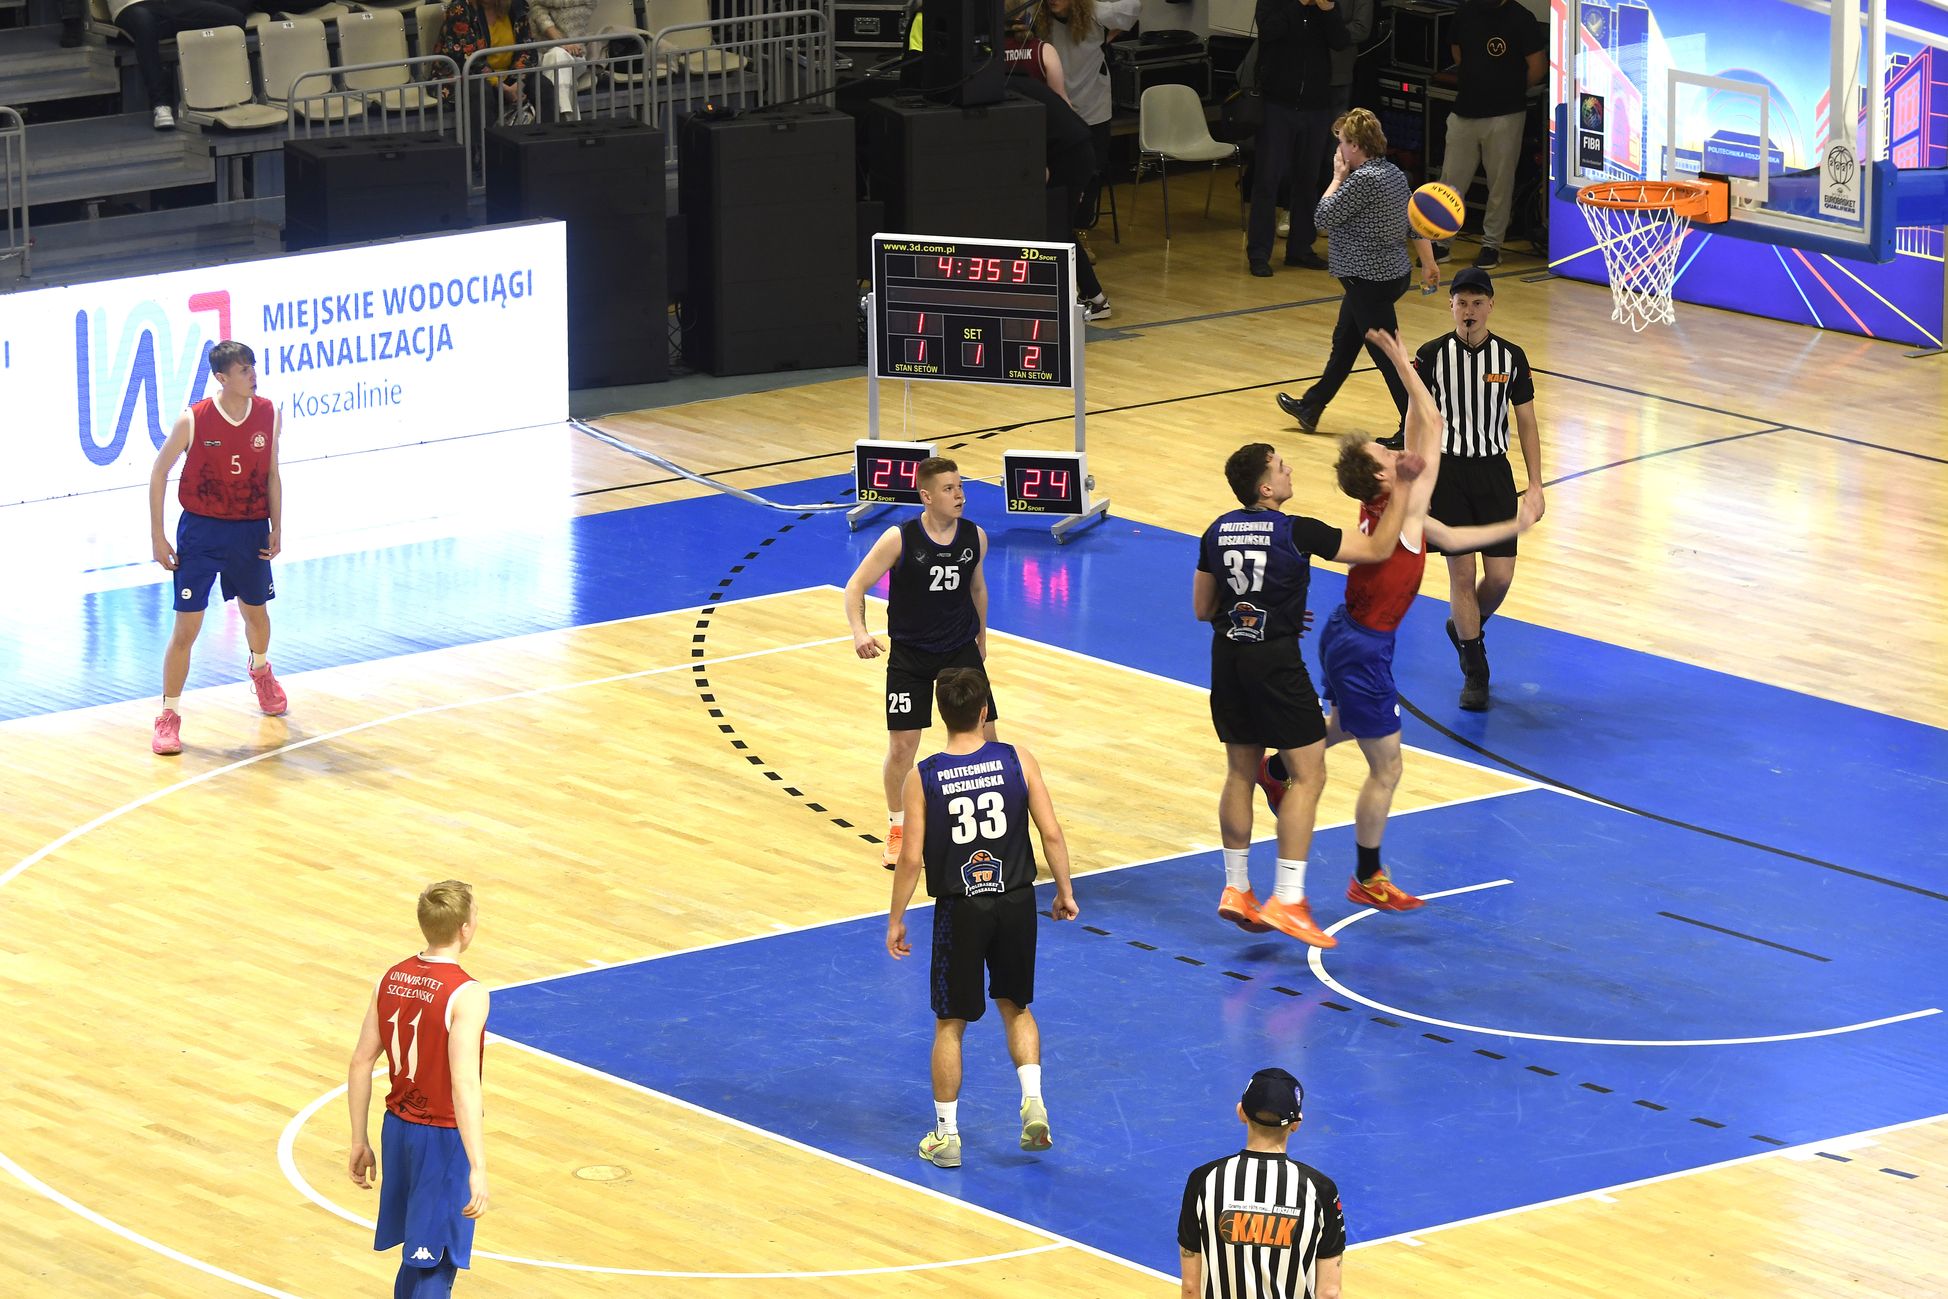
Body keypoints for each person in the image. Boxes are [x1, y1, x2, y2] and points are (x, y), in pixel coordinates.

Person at [1264, 327, 1539, 909]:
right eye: (1386, 456)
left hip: (1346, 633)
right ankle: (1367, 877)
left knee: (1346, 721)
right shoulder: (1405, 505)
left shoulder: (1389, 508)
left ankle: (1277, 767)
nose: (1396, 452)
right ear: (1383, 479)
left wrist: (1515, 526)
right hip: (1364, 646)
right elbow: (1432, 424)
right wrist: (1396, 358)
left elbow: (1454, 537)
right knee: (1387, 768)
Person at [1193, 440, 1419, 948]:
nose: (1289, 469)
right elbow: (1378, 550)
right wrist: (1404, 486)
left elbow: (1204, 608)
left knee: (1240, 772)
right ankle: (1289, 899)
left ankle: (1236, 888)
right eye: (1280, 467)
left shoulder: (1215, 530)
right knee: (1308, 774)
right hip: (1274, 663)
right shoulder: (1297, 530)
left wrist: (1267, 611)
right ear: (1265, 488)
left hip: (1227, 659)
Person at [886, 668, 1078, 1168]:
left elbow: (910, 857)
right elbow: (1051, 833)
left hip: (961, 909)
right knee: (1016, 1006)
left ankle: (947, 1137)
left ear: (940, 714)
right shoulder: (1018, 759)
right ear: (985, 711)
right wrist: (1064, 891)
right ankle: (1033, 1102)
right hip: (1016, 901)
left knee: (950, 1024)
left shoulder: (923, 776)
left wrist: (896, 918)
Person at [843, 457, 995, 869]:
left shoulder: (975, 537)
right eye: (949, 489)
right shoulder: (900, 538)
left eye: (960, 486)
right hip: (910, 656)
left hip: (959, 652)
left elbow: (977, 588)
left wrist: (981, 639)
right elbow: (855, 586)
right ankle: (898, 828)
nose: (959, 495)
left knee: (987, 740)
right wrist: (860, 632)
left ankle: (990, 825)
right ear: (926, 496)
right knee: (902, 747)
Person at [346, 880, 491, 1299]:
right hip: (441, 1137)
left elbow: (360, 1062)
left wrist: (359, 1139)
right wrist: (478, 1165)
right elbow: (464, 1083)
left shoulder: (389, 978)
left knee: (416, 1253)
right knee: (436, 1260)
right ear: (465, 929)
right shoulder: (467, 993)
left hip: (397, 1129)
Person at [147, 340, 286, 756]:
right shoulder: (193, 419)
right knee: (186, 628)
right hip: (202, 532)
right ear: (222, 378)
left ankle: (260, 670)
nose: (253, 375)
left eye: (253, 367)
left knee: (256, 615)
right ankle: (168, 715)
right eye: (244, 370)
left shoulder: (269, 413)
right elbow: (158, 473)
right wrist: (158, 536)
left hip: (249, 529)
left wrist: (277, 526)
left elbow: (272, 474)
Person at [1416, 266, 1543, 709]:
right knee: (1462, 574)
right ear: (1450, 305)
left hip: (1494, 473)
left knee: (1501, 577)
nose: (1468, 310)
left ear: (1490, 305)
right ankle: (1475, 670)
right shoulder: (1431, 356)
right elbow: (1416, 420)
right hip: (1448, 473)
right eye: (1461, 302)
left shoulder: (1511, 357)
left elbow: (1527, 422)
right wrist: (1416, 479)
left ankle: (1464, 626)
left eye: (1476, 302)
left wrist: (1536, 485)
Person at [1274, 109, 1438, 436]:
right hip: (1388, 276)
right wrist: (1429, 264)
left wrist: (1337, 177)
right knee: (1345, 344)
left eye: (1342, 143)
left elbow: (1322, 218)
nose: (1338, 150)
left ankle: (1415, 426)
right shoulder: (1393, 173)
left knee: (1390, 356)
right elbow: (1414, 223)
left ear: (1356, 146)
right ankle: (1311, 406)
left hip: (1368, 281)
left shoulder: (1363, 180)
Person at [1178, 1068, 1345, 1299]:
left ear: (1241, 1112)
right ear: (1296, 1122)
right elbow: (1329, 1292)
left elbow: (1190, 1287)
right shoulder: (1320, 1189)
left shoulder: (1203, 1180)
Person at [1035, 0, 1139, 320]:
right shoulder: (1036, 19)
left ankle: (1081, 234)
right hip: (1058, 114)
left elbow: (1134, 8)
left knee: (1089, 177)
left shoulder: (1095, 13)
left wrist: (1108, 33)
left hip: (1092, 112)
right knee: (1058, 198)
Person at [1435, 0, 1545, 269]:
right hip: (1465, 109)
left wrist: (1510, 90)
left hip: (1505, 114)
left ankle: (1491, 246)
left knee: (1500, 184)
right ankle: (1442, 242)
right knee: (1450, 181)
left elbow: (1537, 65)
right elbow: (1457, 52)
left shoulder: (1521, 18)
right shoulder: (1465, 12)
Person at [1245, 0, 1347, 278]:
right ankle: (1259, 253)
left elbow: (1341, 41)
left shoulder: (1325, 6)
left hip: (1316, 105)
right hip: (1276, 104)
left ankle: (1300, 248)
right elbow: (1269, 31)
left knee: (1308, 179)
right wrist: (1298, 5)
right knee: (1268, 179)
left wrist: (1328, 11)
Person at [104, 0, 252, 129]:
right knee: (144, 21)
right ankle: (160, 104)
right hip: (131, 6)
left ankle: (221, 95)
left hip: (171, 5)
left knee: (235, 18)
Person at [439, 0, 537, 118]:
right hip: (468, 76)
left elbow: (527, 48)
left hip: (511, 75)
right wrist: (502, 87)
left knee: (542, 86)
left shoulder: (517, 5)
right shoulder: (460, 9)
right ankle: (483, 131)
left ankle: (548, 129)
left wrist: (519, 82)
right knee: (481, 92)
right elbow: (467, 59)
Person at [531, 0, 597, 120]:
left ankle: (560, 115)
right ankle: (567, 118)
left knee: (558, 56)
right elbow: (541, 17)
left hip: (575, 56)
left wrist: (563, 44)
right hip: (542, 56)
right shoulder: (537, 7)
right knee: (557, 58)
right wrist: (562, 43)